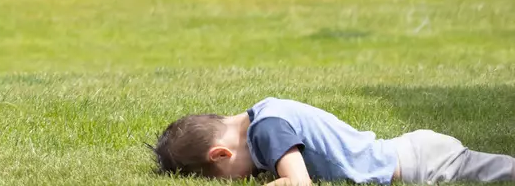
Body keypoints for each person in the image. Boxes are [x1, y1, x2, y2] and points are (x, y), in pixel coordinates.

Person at [153, 98, 515, 184]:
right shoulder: (262, 115)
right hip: (412, 149)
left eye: (227, 176)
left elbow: (300, 184)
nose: (242, 178)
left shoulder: (269, 130)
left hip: (421, 162)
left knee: (499, 172)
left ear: (220, 153)